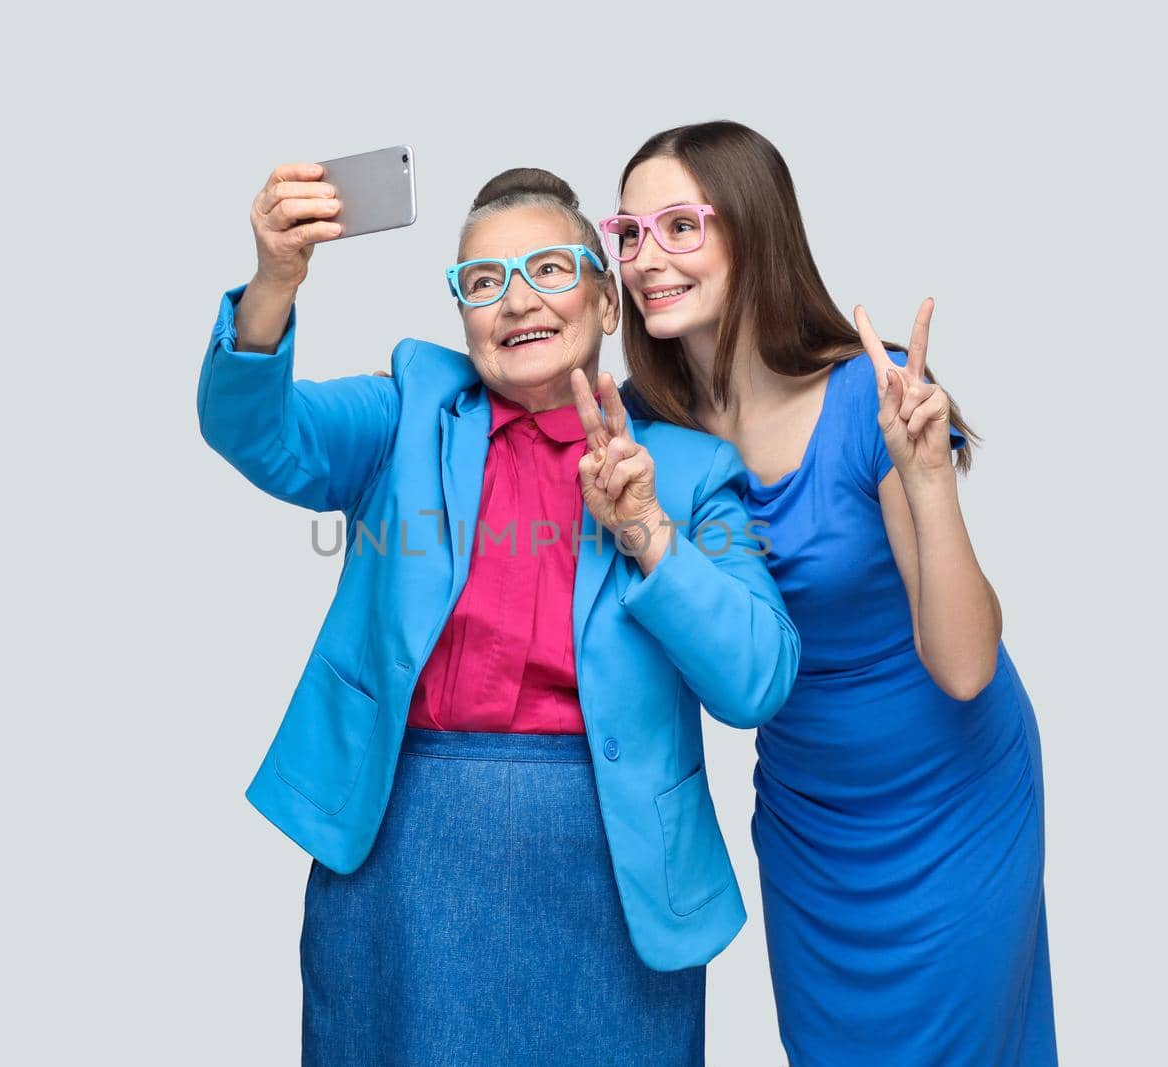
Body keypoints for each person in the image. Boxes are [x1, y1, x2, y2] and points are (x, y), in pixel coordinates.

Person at [196, 161, 800, 1066]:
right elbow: (256, 432)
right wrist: (276, 281)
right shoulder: (407, 411)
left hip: (613, 863)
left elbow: (759, 679)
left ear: (607, 306)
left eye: (550, 270)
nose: (517, 302)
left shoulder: (687, 472)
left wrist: (648, 534)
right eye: (484, 283)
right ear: (464, 317)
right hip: (402, 863)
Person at [609, 121, 1057, 1065]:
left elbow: (967, 665)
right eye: (631, 234)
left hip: (952, 805)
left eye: (681, 227)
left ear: (754, 234)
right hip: (811, 822)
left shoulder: (871, 397)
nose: (648, 259)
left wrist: (927, 476)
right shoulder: (643, 425)